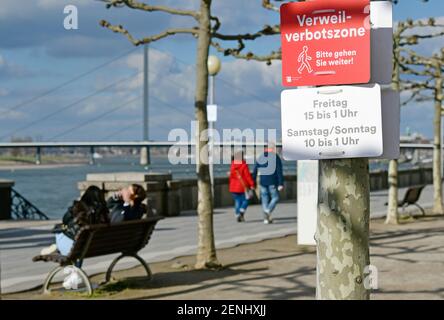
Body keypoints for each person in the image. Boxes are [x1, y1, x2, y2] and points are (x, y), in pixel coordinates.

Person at [40, 185, 110, 256]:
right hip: (94, 248)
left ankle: (57, 247)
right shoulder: (104, 214)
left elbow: (65, 220)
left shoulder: (79, 208)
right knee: (64, 228)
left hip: (73, 249)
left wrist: (77, 205)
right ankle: (57, 247)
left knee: (60, 228)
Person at [253, 143, 284, 224]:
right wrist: (281, 183)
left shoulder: (261, 157)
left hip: (262, 181)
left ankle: (266, 218)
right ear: (272, 148)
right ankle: (268, 211)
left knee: (264, 199)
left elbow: (255, 170)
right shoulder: (275, 157)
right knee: (275, 197)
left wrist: (253, 182)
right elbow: (279, 171)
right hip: (272, 181)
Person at [229, 151, 255, 222]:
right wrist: (252, 184)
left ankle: (237, 214)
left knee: (237, 201)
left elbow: (231, 176)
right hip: (242, 187)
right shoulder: (244, 165)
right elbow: (247, 176)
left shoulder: (232, 165)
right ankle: (241, 211)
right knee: (246, 200)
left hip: (233, 187)